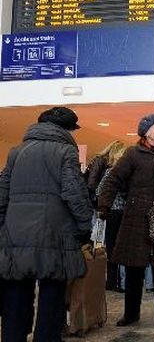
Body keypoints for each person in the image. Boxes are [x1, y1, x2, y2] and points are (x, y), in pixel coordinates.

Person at [0, 106, 93, 342]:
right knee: (52, 297)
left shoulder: (16, 152)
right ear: (67, 129)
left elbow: (2, 193)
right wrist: (84, 227)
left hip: (15, 236)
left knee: (15, 298)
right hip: (54, 235)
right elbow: (75, 193)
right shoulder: (65, 152)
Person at [98, 113, 154, 327]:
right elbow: (113, 179)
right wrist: (104, 204)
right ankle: (131, 314)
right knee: (134, 268)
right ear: (146, 131)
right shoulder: (132, 154)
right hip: (135, 219)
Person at [94, 140, 127, 292]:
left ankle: (112, 281)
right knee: (120, 248)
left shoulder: (109, 172)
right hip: (121, 213)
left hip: (112, 213)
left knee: (112, 247)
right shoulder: (123, 173)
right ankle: (120, 281)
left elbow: (99, 190)